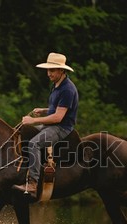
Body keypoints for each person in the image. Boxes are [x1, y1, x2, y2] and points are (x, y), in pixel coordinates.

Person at [13, 52, 79, 196]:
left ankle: (33, 183)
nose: (48, 73)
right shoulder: (57, 84)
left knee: (33, 144)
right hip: (52, 124)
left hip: (61, 128)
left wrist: (33, 120)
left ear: (61, 70)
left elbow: (58, 117)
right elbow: (58, 109)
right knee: (21, 130)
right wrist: (44, 110)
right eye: (48, 70)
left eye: (52, 70)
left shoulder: (67, 89)